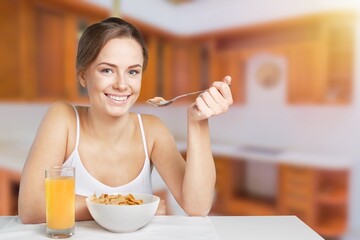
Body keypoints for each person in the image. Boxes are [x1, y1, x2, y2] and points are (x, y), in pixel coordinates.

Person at [18, 17, 233, 224]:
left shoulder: (152, 130)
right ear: (83, 75)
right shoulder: (63, 119)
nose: (122, 84)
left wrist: (198, 121)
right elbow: (31, 207)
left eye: (132, 71)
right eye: (107, 70)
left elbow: (198, 206)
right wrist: (130, 206)